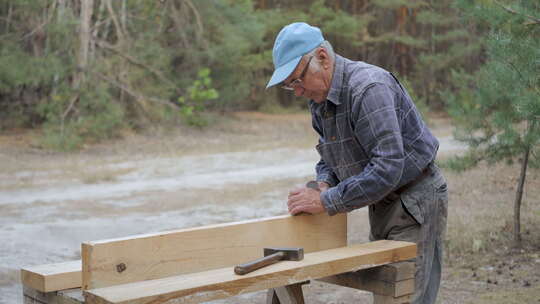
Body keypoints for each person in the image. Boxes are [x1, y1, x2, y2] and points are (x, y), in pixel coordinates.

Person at [266, 22, 448, 304]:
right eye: (290, 85)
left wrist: (326, 201)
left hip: (415, 200)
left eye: (297, 80)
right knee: (389, 293)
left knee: (408, 296)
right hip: (383, 200)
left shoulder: (368, 88)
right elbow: (329, 155)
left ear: (323, 58)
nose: (297, 91)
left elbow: (388, 167)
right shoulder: (319, 98)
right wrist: (324, 182)